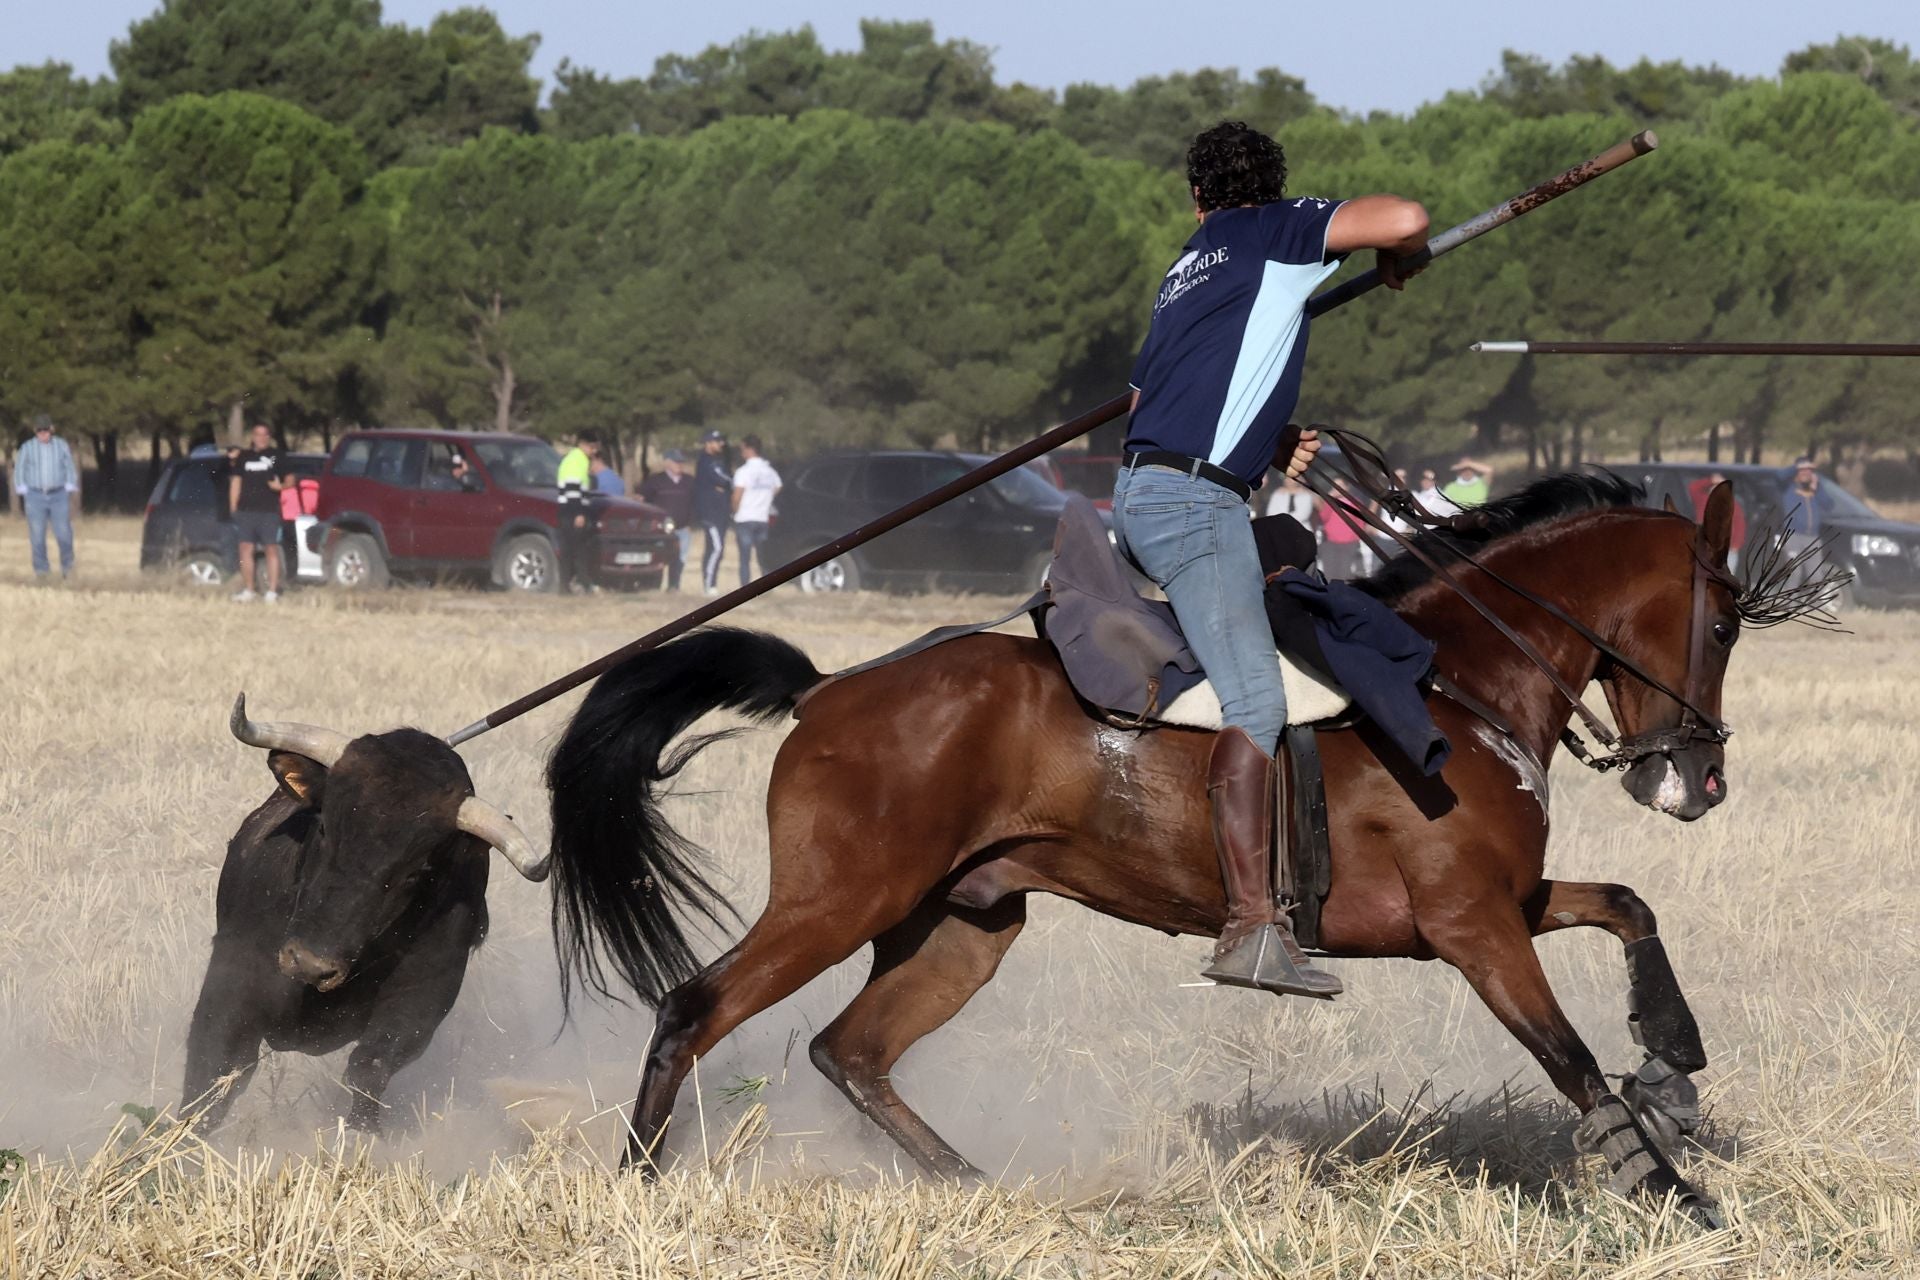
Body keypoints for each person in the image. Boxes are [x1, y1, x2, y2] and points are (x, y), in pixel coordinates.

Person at [1113, 119, 1428, 999]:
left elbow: (1154, 394)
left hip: (1148, 490)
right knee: (1256, 699)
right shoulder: (1273, 231)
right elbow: (1404, 214)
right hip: (1194, 501)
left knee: (1289, 580)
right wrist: (1411, 255)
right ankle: (1253, 927)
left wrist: (1267, 432)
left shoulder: (1189, 266)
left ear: (1196, 198)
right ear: (1272, 190)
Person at [226, 423, 289, 602]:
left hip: (269, 511)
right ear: (252, 436)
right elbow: (236, 482)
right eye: (257, 434)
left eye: (264, 435)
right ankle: (249, 590)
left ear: (268, 437)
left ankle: (272, 592)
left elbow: (291, 478)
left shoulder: (277, 456)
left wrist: (281, 486)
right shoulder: (243, 457)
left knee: (271, 549)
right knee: (245, 549)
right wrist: (233, 507)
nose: (261, 438)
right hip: (246, 511)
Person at [14, 414, 79, 581]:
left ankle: (68, 569)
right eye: (39, 430)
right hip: (35, 496)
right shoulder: (27, 447)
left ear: (51, 430)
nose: (43, 433)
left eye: (46, 430)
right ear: (35, 431)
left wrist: (70, 485)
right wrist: (22, 488)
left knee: (64, 534)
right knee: (37, 536)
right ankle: (42, 572)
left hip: (58, 495)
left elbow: (69, 466)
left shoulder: (61, 445)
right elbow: (19, 469)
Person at [640, 449, 696, 590]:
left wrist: (691, 523)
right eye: (676, 462)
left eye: (681, 462)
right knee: (658, 557)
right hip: (661, 530)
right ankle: (654, 586)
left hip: (683, 529)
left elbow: (696, 503)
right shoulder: (655, 481)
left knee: (680, 559)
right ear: (667, 463)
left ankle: (674, 586)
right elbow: (643, 501)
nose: (679, 465)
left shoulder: (689, 481)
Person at [731, 435, 781, 587]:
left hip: (745, 518)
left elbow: (736, 496)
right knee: (763, 556)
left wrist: (735, 511)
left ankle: (745, 587)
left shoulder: (743, 471)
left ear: (748, 449)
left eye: (742, 449)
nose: (741, 453)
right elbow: (778, 486)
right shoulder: (769, 471)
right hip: (762, 517)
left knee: (745, 558)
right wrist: (765, 498)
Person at [693, 429, 734, 596]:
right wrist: (729, 482)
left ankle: (711, 584)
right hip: (711, 512)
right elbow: (723, 479)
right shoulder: (706, 461)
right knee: (716, 548)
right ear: (708, 443)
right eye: (718, 441)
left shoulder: (719, 461)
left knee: (716, 549)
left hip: (721, 511)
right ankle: (710, 585)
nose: (721, 444)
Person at [556, 433, 598, 593]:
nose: (594, 451)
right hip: (572, 511)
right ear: (583, 444)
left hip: (571, 510)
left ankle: (576, 583)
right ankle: (571, 585)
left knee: (575, 549)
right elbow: (572, 490)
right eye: (592, 447)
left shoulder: (579, 460)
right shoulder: (576, 460)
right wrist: (579, 513)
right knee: (574, 549)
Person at [1780, 456, 1829, 582]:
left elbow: (1829, 505)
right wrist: (1798, 466)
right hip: (1793, 535)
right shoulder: (1788, 486)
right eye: (1803, 470)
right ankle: (1789, 602)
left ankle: (1814, 601)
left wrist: (1815, 487)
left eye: (1809, 470)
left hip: (1812, 537)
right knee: (1794, 573)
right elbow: (1779, 476)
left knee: (1816, 576)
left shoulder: (1816, 488)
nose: (1806, 473)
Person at [1686, 472, 1746, 571]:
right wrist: (1711, 480)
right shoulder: (1703, 500)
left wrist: (1736, 545)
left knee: (1725, 577)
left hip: (1726, 549)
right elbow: (1693, 487)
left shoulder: (1733, 505)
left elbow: (1740, 525)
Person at [1316, 479, 1371, 579]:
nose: (1336, 488)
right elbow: (1323, 517)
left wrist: (1356, 538)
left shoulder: (1354, 502)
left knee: (1344, 572)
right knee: (1329, 571)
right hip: (1330, 542)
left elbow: (1360, 522)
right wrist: (1328, 500)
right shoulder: (1330, 502)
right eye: (1334, 486)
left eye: (1340, 485)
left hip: (1349, 543)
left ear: (1346, 487)